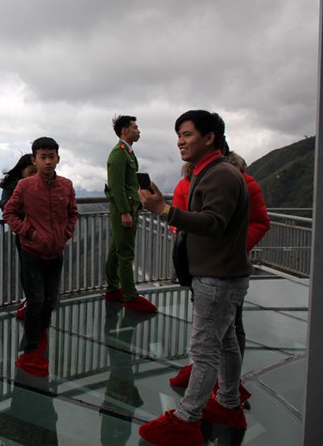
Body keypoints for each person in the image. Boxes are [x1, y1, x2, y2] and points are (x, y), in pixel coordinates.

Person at [138, 110, 253, 445]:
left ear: (209, 137)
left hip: (217, 278)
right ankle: (229, 402)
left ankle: (187, 419)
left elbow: (214, 223)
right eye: (179, 135)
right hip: (223, 274)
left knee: (204, 351)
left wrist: (164, 211)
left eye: (187, 134)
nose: (180, 142)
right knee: (227, 340)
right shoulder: (213, 172)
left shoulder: (220, 175)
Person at [169, 150, 270, 397]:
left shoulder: (239, 181)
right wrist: (179, 232)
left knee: (232, 325)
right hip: (197, 265)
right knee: (211, 325)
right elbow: (179, 214)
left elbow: (259, 221)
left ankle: (214, 394)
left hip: (227, 267)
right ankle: (224, 388)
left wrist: (235, 247)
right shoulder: (187, 183)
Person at [3, 137, 78, 376]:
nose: (47, 161)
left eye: (51, 156)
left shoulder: (66, 186)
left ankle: (41, 333)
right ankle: (31, 347)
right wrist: (29, 233)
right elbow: (9, 212)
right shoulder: (25, 186)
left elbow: (73, 212)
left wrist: (67, 232)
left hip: (56, 252)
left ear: (58, 158)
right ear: (34, 160)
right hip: (32, 252)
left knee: (50, 299)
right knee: (35, 300)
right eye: (42, 157)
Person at [104, 115, 157, 313]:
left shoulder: (128, 153)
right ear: (124, 130)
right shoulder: (119, 154)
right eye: (135, 127)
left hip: (128, 209)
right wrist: (125, 212)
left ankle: (112, 288)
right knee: (126, 254)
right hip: (124, 211)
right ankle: (130, 295)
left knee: (116, 249)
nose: (138, 130)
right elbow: (116, 186)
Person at [0, 153, 37, 319]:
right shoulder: (12, 186)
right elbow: (6, 206)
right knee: (27, 268)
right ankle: (31, 301)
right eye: (31, 171)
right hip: (23, 233)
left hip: (41, 233)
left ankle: (34, 301)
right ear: (21, 170)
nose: (34, 175)